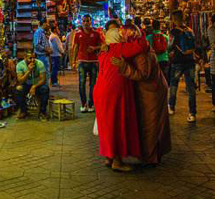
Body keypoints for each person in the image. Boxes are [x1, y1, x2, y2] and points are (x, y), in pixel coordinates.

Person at [111, 25, 172, 165]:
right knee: (147, 123)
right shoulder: (138, 47)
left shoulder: (141, 52)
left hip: (151, 92)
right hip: (148, 90)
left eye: (122, 36)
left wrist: (123, 67)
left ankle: (150, 157)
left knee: (150, 124)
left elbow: (142, 74)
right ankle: (147, 155)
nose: (120, 39)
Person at [94, 23, 148, 172]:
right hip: (114, 91)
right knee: (117, 123)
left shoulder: (105, 51)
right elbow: (142, 45)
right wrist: (136, 32)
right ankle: (117, 161)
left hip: (101, 90)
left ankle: (109, 157)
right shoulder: (119, 49)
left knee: (107, 125)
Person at [168, 10, 197, 123]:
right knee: (191, 88)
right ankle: (192, 113)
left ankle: (171, 106)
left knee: (174, 85)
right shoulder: (190, 30)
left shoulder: (173, 32)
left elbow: (169, 47)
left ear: (175, 20)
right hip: (189, 61)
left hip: (177, 61)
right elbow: (194, 45)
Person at [73, 15, 103, 112]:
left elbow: (102, 46)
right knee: (81, 83)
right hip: (82, 61)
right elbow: (76, 48)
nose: (86, 23)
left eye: (88, 21)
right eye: (84, 21)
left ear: (91, 22)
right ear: (82, 22)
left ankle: (91, 104)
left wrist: (94, 48)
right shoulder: (78, 35)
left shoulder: (96, 34)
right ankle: (83, 104)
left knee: (93, 84)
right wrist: (73, 61)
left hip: (94, 62)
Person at [15, 50, 49, 121]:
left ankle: (42, 112)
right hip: (26, 84)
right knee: (18, 89)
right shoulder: (20, 65)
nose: (32, 60)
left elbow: (43, 79)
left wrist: (34, 86)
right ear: (25, 57)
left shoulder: (39, 64)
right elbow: (20, 81)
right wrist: (28, 71)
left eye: (34, 58)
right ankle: (23, 110)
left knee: (45, 89)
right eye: (30, 58)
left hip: (37, 85)